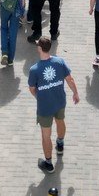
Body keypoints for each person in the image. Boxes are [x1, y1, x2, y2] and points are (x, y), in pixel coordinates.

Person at [27, 36, 78, 174]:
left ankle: (48, 163)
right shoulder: (59, 62)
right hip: (60, 101)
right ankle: (60, 143)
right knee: (60, 121)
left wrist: (40, 96)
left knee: (45, 135)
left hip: (45, 107)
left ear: (39, 48)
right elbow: (70, 79)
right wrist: (75, 93)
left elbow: (32, 89)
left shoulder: (34, 69)